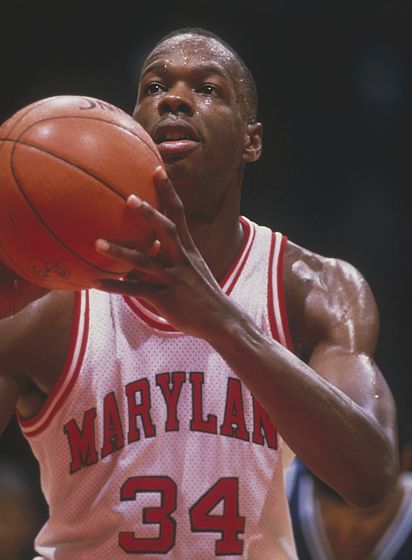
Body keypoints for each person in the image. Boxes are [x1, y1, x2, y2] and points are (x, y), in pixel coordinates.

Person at [0, 26, 398, 559]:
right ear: (129, 126)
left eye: (208, 89)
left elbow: (371, 477)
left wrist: (220, 321)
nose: (175, 99)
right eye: (154, 87)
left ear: (250, 141)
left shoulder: (312, 287)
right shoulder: (54, 296)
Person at [286, 391, 412, 560]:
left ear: (406, 461)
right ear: (305, 459)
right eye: (333, 520)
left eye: (367, 520)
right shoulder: (281, 484)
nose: (346, 535)